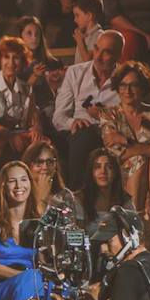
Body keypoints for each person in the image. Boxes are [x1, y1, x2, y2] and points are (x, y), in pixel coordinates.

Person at [97, 61, 150, 235]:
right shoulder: (109, 114)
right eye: (123, 85)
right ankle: (134, 221)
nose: (127, 91)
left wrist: (126, 142)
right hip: (120, 172)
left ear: (143, 87)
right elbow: (117, 153)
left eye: (133, 85)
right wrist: (143, 148)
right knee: (142, 160)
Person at [52, 30, 121, 191]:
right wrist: (73, 122)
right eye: (96, 49)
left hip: (112, 133)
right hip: (79, 133)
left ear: (118, 56)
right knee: (83, 135)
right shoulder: (75, 73)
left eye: (107, 53)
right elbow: (58, 117)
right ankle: (75, 197)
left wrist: (103, 116)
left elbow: (131, 117)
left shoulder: (125, 77)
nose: (98, 56)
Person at [0, 37, 44, 171]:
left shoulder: (27, 88)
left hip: (21, 134)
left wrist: (37, 125)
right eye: (6, 57)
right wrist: (9, 135)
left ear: (23, 61)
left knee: (43, 146)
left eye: (16, 58)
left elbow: (33, 114)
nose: (11, 63)